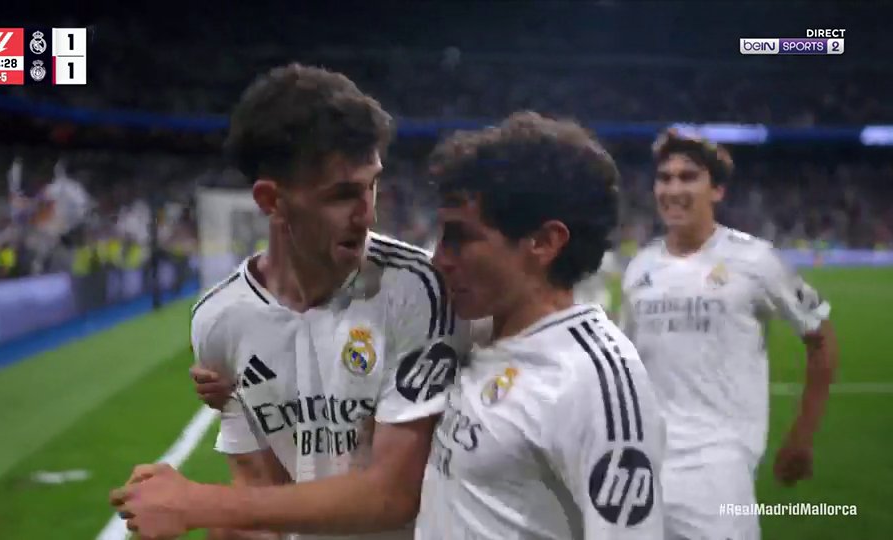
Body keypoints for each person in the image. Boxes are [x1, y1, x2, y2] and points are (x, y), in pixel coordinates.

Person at [111, 63, 470, 539]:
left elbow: (394, 496)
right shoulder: (219, 320)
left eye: (372, 185)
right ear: (271, 200)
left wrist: (199, 504)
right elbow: (261, 493)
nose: (367, 214)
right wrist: (218, 520)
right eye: (342, 195)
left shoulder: (416, 287)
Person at [415, 112, 665, 538]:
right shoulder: (470, 335)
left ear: (544, 242)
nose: (440, 259)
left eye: (460, 238)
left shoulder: (594, 380)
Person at [618, 129, 838, 539]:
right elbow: (624, 367)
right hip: (642, 466)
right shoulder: (639, 268)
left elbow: (820, 337)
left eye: (688, 177)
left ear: (717, 190)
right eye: (664, 178)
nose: (673, 188)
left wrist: (802, 435)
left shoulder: (756, 260)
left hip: (719, 469)